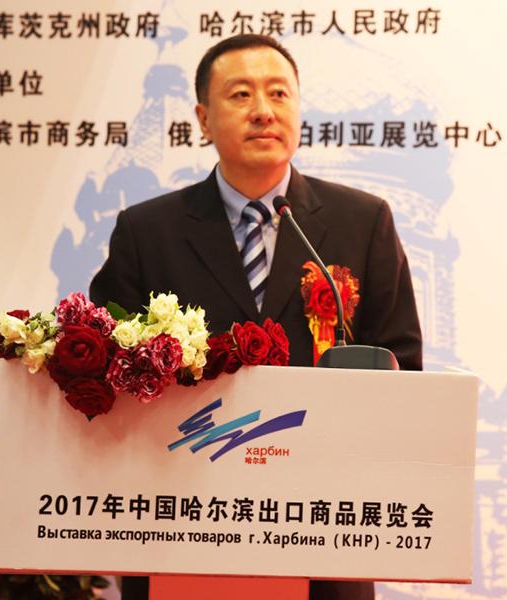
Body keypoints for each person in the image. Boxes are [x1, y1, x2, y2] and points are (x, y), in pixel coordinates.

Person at [90, 34, 422, 600]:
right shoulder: (147, 232)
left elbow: (403, 367)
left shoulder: (362, 223)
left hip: (323, 533)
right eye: (241, 94)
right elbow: (109, 374)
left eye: (279, 93)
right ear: (203, 118)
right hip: (182, 528)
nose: (264, 111)